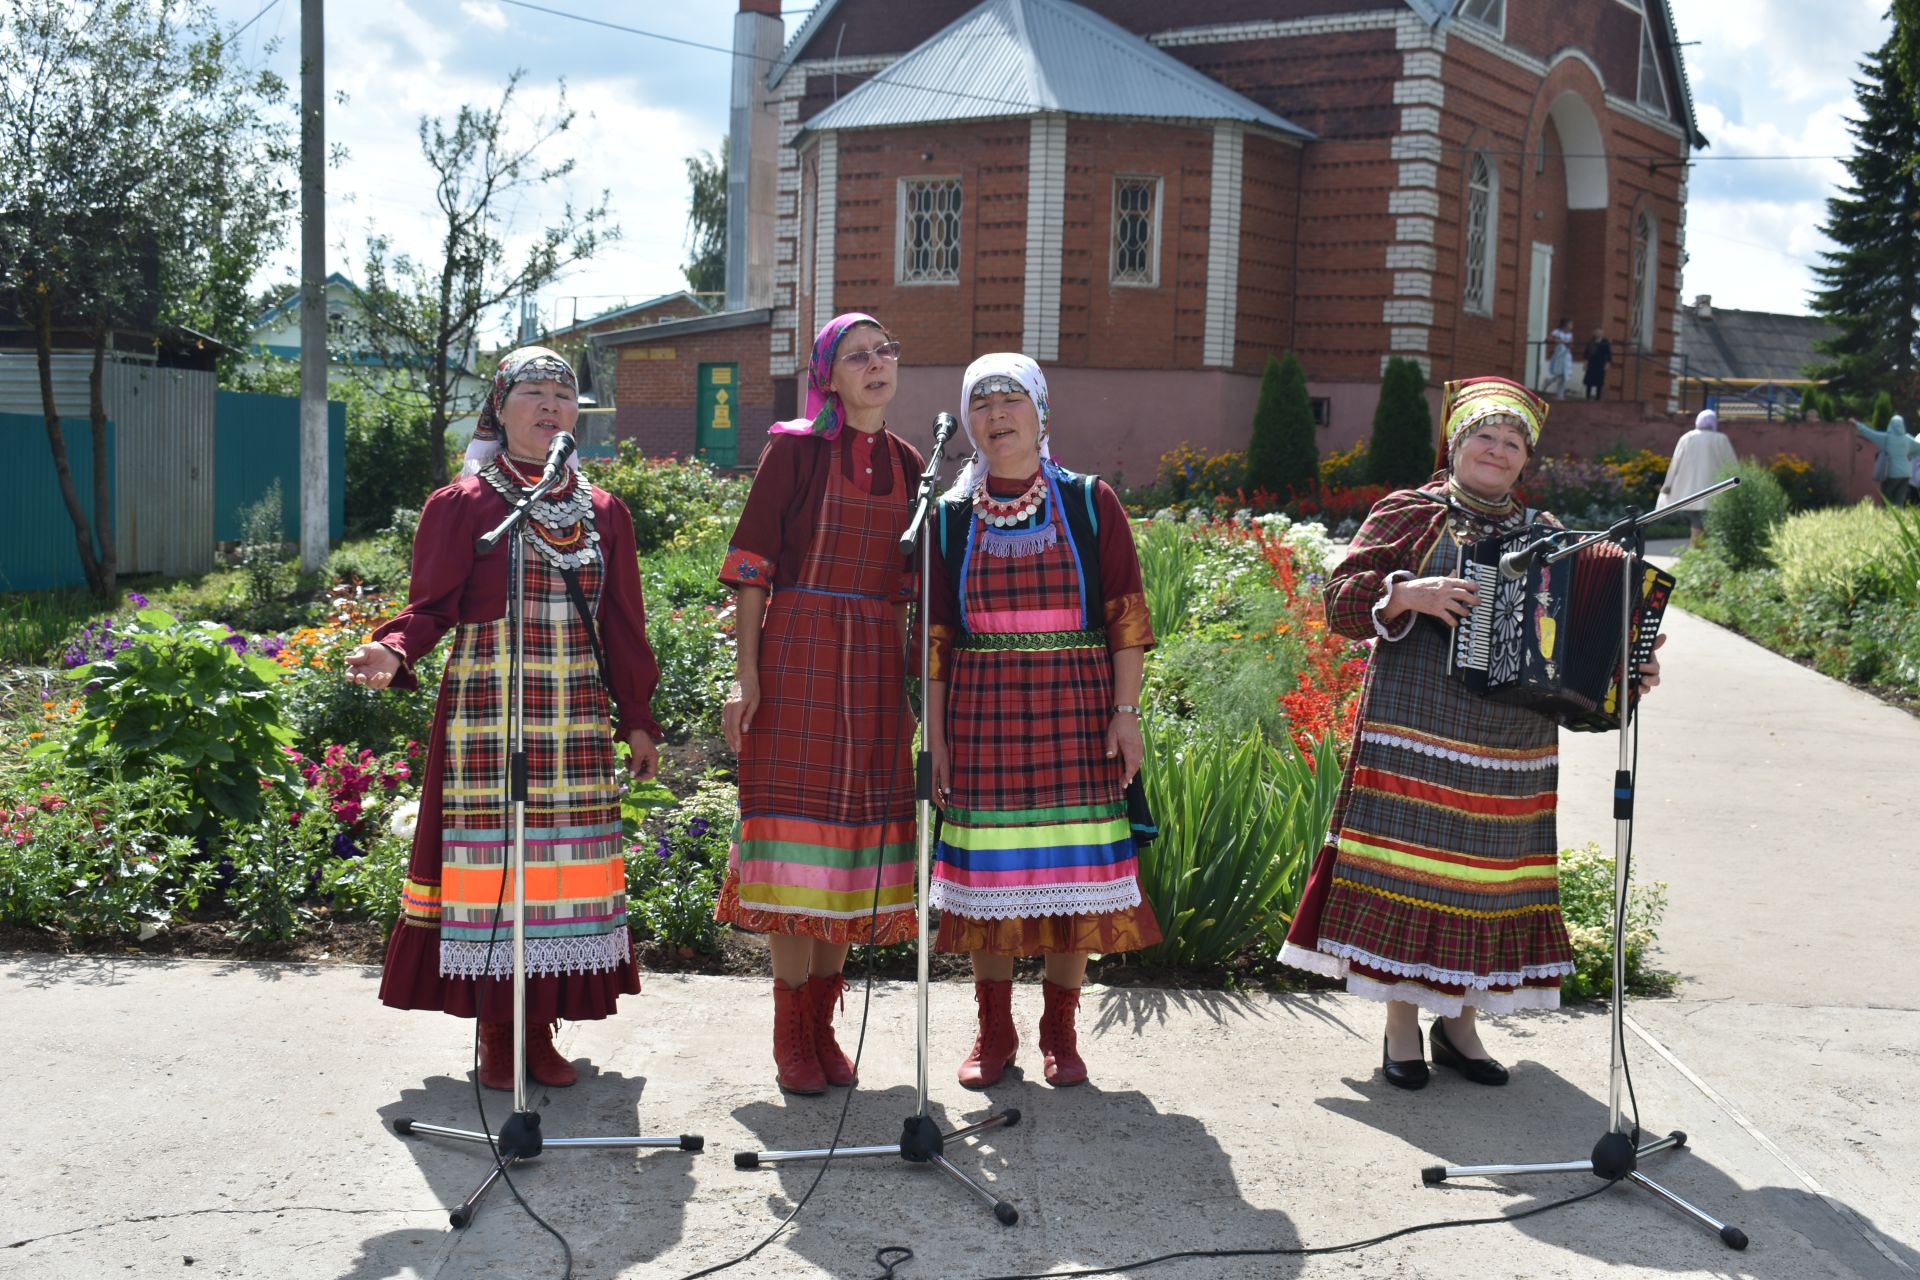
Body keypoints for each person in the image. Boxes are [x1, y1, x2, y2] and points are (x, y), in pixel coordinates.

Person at [1279, 376, 1663, 1091]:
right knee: (1410, 870)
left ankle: (1460, 1024)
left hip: (1511, 744)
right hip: (1414, 724)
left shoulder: (1548, 535)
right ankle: (1400, 1024)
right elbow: (1338, 600)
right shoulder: (1411, 513)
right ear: (1456, 445)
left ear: (1526, 459)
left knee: (1485, 882)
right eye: (1485, 435)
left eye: (1512, 441)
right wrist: (1407, 594)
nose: (1498, 449)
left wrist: (1623, 672)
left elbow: (1578, 650)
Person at [345, 347, 663, 1090]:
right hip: (491, 712)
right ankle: (498, 1032)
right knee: (497, 870)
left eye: (564, 393)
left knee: (561, 873)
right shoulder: (463, 504)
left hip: (576, 713)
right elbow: (430, 607)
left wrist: (638, 718)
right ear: (501, 406)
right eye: (535, 391)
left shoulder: (604, 511)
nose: (551, 404)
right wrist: (393, 650)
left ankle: (539, 1028)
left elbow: (624, 623)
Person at [924, 353, 1160, 1090]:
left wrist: (1126, 716)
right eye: (982, 404)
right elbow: (934, 639)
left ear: (1042, 412)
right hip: (980, 713)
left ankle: (1062, 1032)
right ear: (968, 423)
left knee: (1073, 880)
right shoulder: (949, 517)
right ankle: (995, 1032)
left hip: (1077, 712)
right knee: (987, 884)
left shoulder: (1091, 502)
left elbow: (1126, 617)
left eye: (1011, 400)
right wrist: (934, 742)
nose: (997, 416)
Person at [715, 313, 924, 1096]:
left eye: (886, 350)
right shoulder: (796, 450)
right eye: (858, 355)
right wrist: (746, 674)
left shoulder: (910, 463)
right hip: (798, 652)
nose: (877, 364)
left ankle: (823, 1024)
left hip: (872, 665)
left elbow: (917, 590)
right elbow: (751, 567)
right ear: (827, 376)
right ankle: (791, 1036)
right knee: (799, 849)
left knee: (851, 855)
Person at [1660, 408, 1739, 546]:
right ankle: (1702, 553)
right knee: (1711, 523)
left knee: (1696, 522)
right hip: (1715, 490)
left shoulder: (1687, 438)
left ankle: (1696, 551)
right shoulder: (1720, 439)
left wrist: (1668, 485)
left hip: (1690, 491)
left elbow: (1675, 463)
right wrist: (1738, 484)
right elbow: (1731, 464)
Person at [1854, 413, 1916, 506]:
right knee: (1899, 499)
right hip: (1906, 473)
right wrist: (1911, 454)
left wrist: (1856, 424)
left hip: (1892, 473)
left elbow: (1870, 433)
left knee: (1887, 497)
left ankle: (1888, 517)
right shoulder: (1908, 439)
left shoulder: (1886, 438)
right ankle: (1898, 518)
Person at [1544, 318, 1574, 401]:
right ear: (1565, 325)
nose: (1571, 326)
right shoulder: (1557, 332)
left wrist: (1569, 344)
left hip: (1566, 355)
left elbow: (1571, 345)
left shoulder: (1570, 335)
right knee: (1560, 373)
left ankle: (1559, 395)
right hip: (1559, 355)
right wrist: (1559, 341)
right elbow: (1548, 339)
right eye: (1570, 324)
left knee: (1564, 375)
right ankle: (1549, 381)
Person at [1581, 329, 1612, 401]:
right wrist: (1585, 363)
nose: (1598, 334)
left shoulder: (1605, 342)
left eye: (1600, 333)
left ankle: (1598, 398)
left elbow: (1609, 353)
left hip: (1601, 364)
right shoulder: (1591, 342)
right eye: (1596, 333)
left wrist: (1608, 363)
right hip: (1591, 364)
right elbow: (1586, 354)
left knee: (1599, 381)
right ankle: (1587, 397)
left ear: (1602, 334)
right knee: (1589, 381)